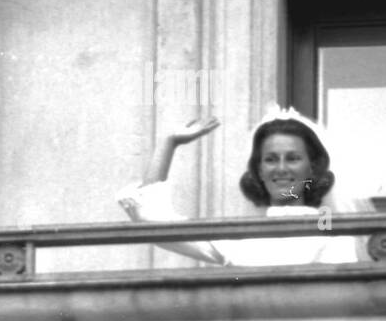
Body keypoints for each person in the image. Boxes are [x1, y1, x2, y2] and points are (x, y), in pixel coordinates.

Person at [117, 106, 364, 266]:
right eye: (270, 159)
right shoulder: (240, 236)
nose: (280, 168)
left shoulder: (334, 233)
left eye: (293, 158)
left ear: (312, 169)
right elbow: (154, 223)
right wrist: (168, 144)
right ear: (258, 170)